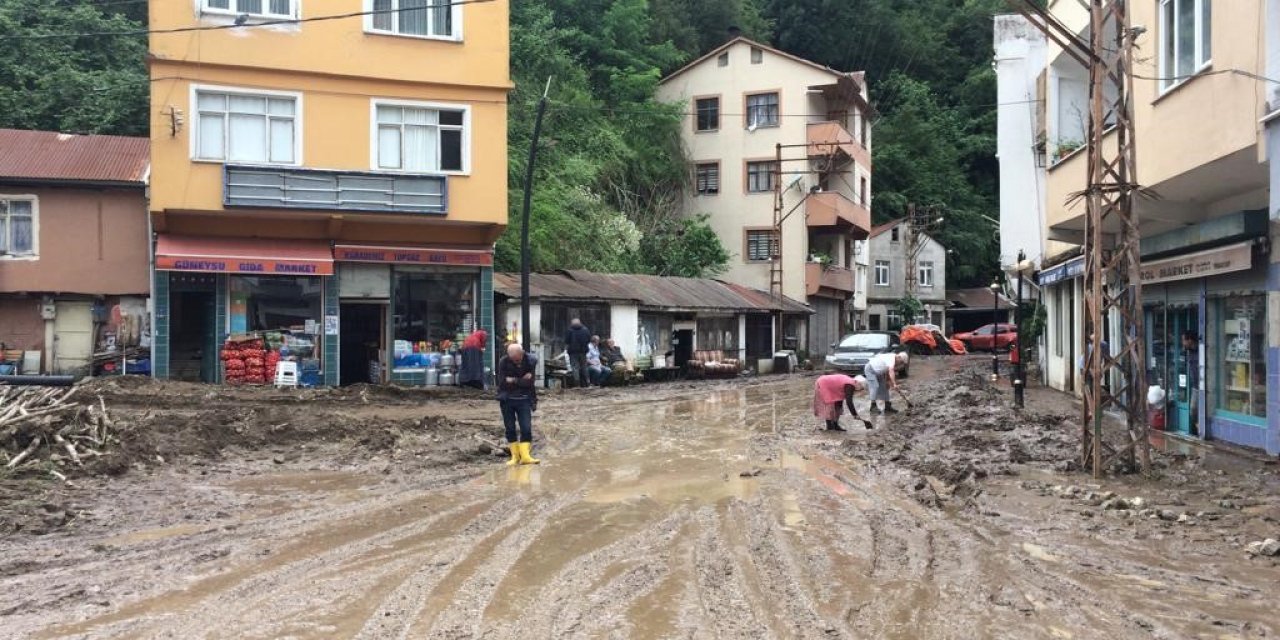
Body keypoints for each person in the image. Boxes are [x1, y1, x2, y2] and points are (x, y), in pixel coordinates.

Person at [497, 343, 540, 465]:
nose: (515, 361)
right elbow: (503, 383)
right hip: (507, 399)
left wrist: (514, 380)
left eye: (517, 358)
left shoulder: (530, 361)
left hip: (524, 399)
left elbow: (530, 383)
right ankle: (515, 456)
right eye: (513, 359)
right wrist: (521, 379)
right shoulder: (504, 362)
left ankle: (525, 456)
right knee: (510, 428)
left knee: (526, 427)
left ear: (522, 353)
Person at [564, 318, 592, 388]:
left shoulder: (570, 330)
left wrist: (566, 349)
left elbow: (567, 341)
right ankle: (587, 383)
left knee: (575, 367)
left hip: (573, 352)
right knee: (584, 367)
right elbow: (589, 339)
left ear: (572, 323)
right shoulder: (586, 330)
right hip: (583, 351)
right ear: (580, 322)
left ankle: (577, 384)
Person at [1182, 331, 1200, 435]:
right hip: (1195, 386)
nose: (1183, 343)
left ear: (1190, 340)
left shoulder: (1200, 351)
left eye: (1184, 341)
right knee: (1193, 410)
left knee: (1200, 410)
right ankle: (1198, 428)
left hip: (1202, 386)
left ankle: (1200, 431)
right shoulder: (1188, 352)